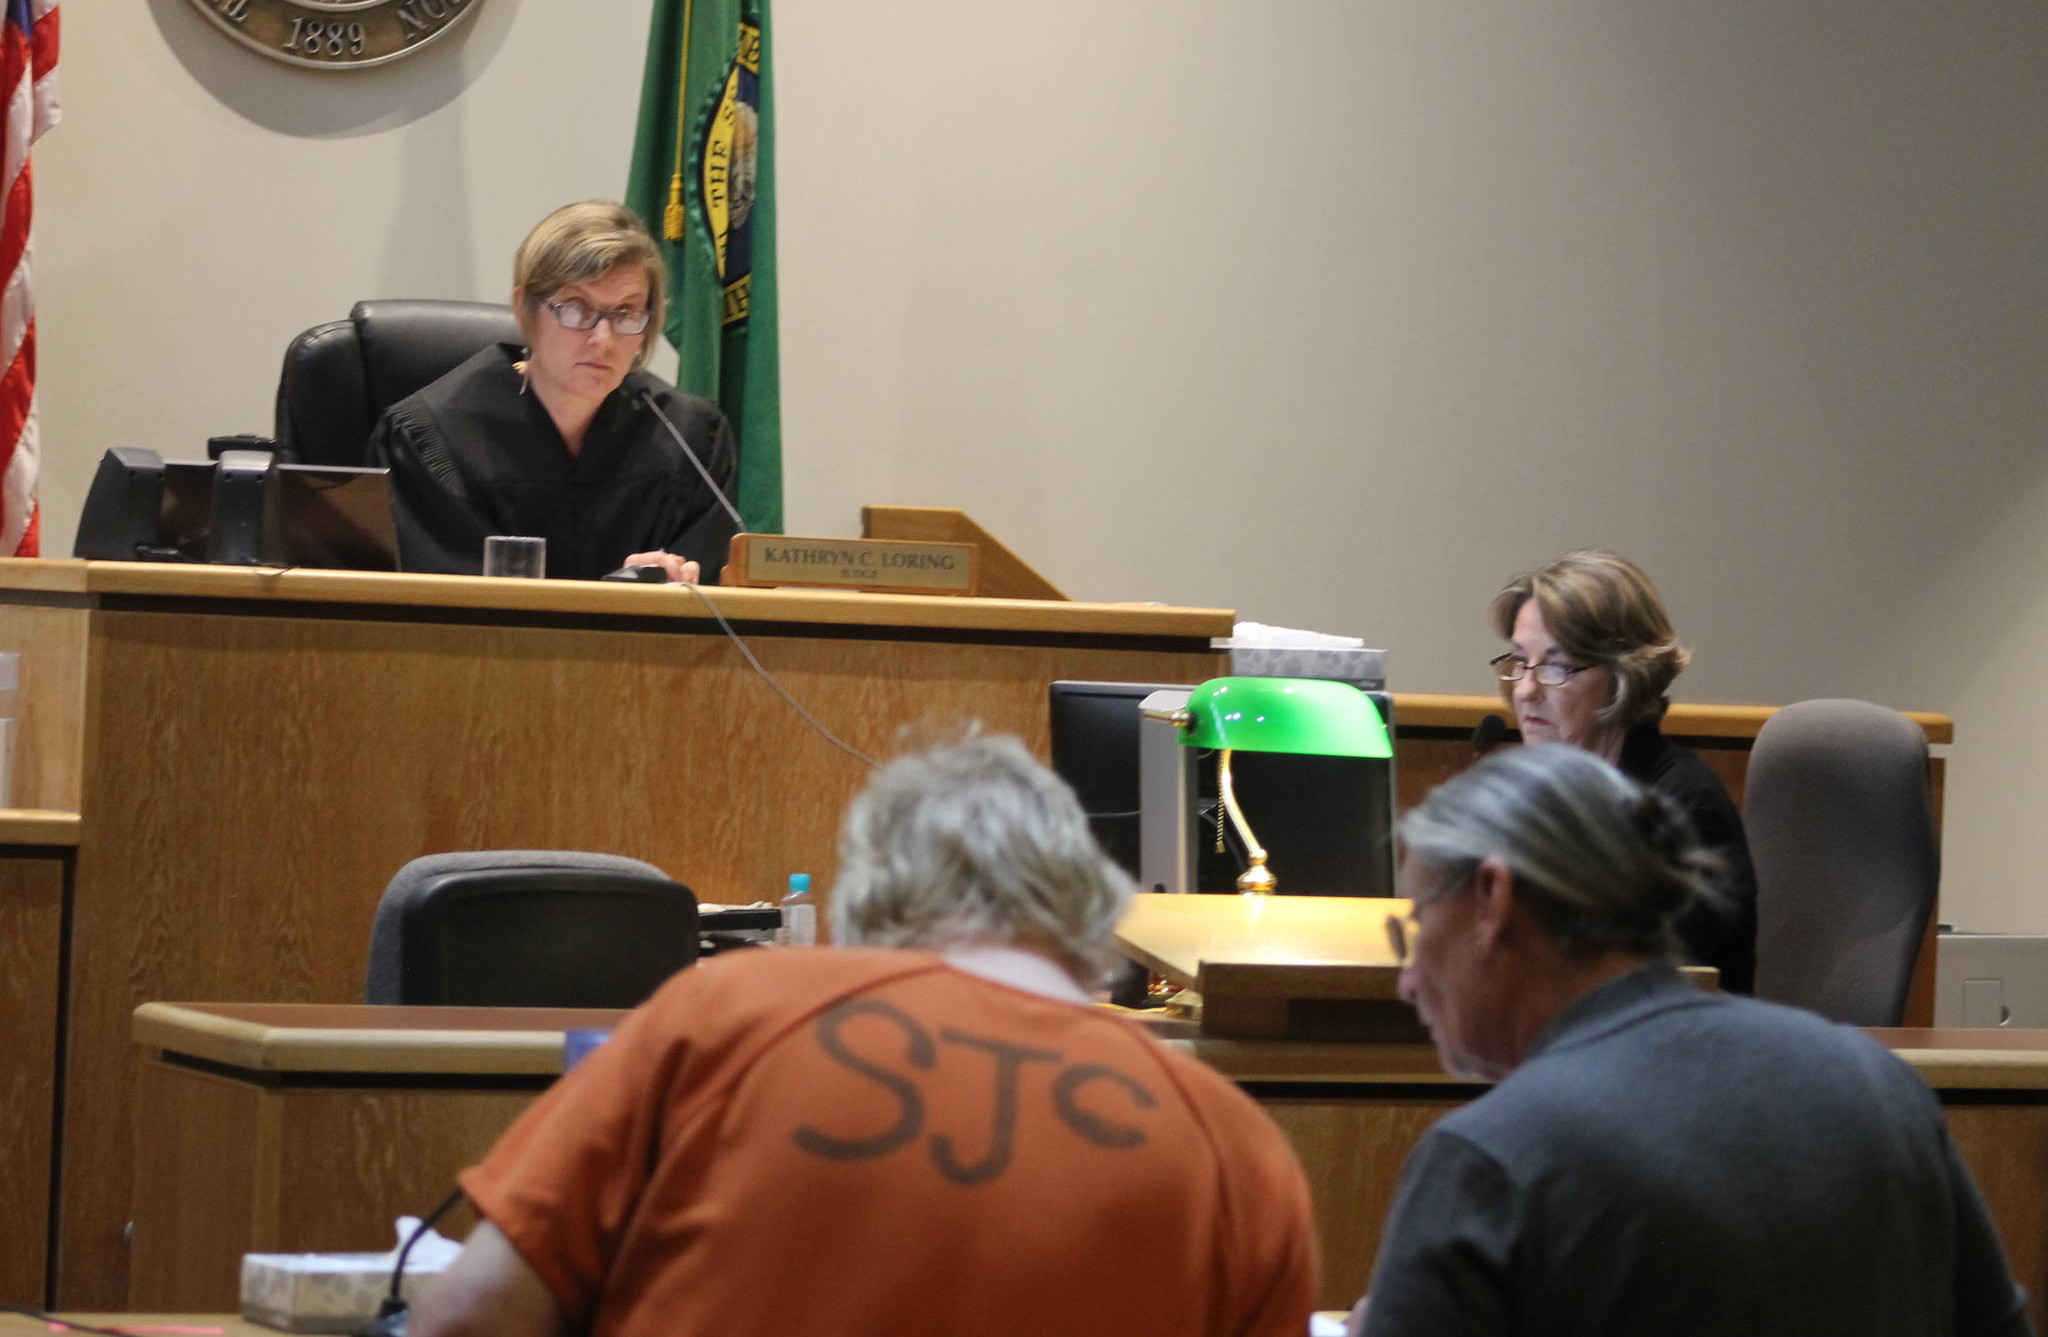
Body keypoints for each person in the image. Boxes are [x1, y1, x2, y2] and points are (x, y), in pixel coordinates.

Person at [409, 734, 1319, 1337]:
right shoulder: (1235, 1147)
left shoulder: (724, 1014)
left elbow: (469, 1318)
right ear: (1091, 911)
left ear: (868, 899)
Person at [1350, 745, 2031, 1337]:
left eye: (1412, 926)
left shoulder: (1489, 1160)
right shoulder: (1878, 1084)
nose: (1409, 980)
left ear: (1492, 898)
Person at [370, 200, 738, 583]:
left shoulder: (693, 441)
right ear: (523, 308)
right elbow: (441, 606)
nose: (603, 339)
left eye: (626, 313)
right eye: (576, 309)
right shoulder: (433, 439)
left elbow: (712, 599)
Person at [1488, 549, 1758, 992]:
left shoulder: (1680, 812)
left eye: (1557, 666)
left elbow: (1643, 990)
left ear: (1624, 675)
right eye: (1520, 661)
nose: (1527, 689)